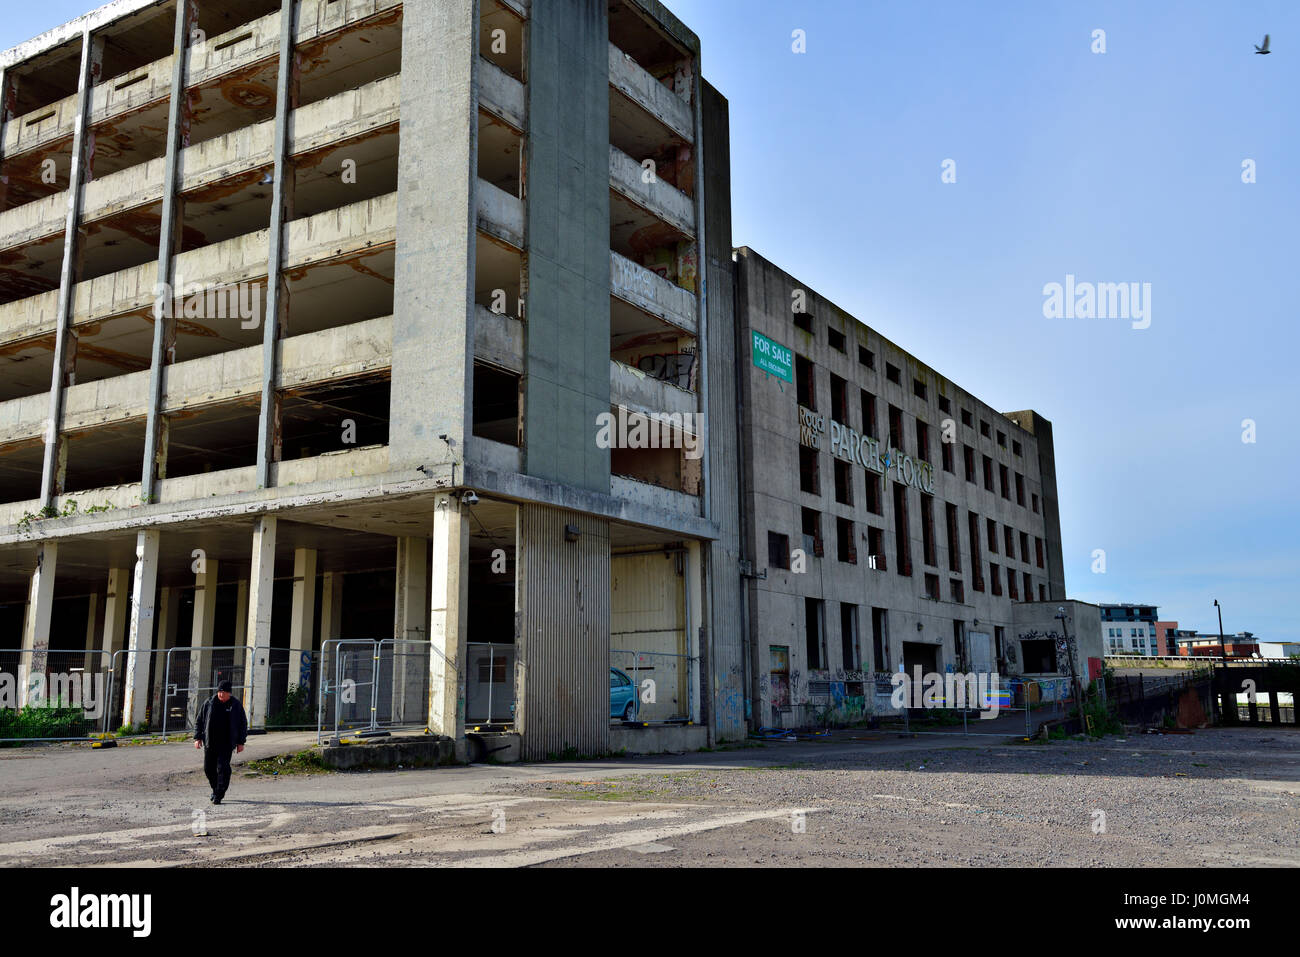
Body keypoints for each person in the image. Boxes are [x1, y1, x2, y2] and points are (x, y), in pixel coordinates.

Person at [193, 680, 248, 805]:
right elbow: (199, 721)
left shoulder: (235, 705)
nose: (221, 694)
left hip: (226, 743)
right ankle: (215, 789)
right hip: (210, 742)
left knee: (223, 768)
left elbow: (242, 724)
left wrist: (241, 742)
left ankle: (219, 794)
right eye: (219, 692)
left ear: (229, 693)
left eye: (224, 692)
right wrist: (197, 738)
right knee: (208, 768)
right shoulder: (209, 703)